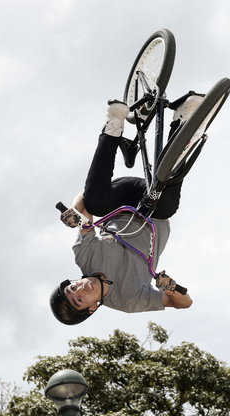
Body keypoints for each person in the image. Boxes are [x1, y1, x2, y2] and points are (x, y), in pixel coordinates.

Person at [50, 99, 200, 325]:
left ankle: (113, 126)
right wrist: (171, 288)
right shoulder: (128, 300)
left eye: (73, 288)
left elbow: (84, 201)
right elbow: (184, 303)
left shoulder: (84, 257)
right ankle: (181, 122)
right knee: (167, 206)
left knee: (95, 204)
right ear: (91, 309)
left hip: (126, 197)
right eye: (80, 299)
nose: (81, 289)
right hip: (155, 211)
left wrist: (73, 209)